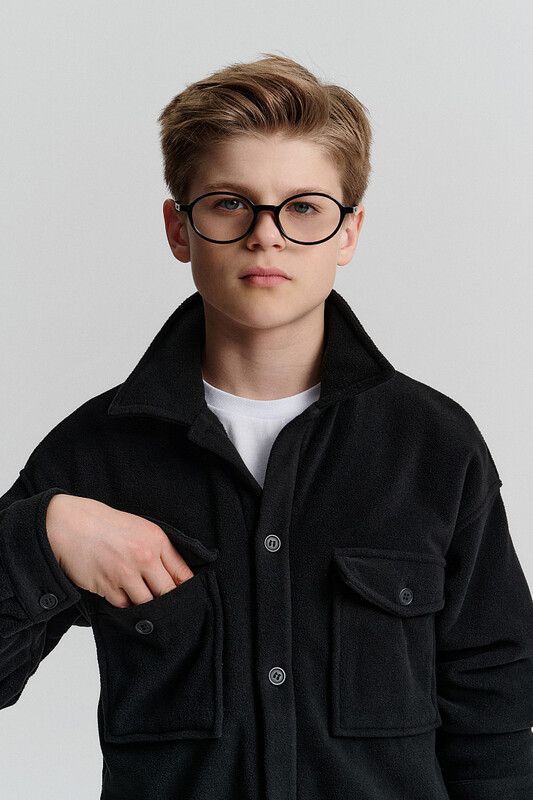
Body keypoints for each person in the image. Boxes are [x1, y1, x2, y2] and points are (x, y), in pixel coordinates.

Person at [0, 53, 532, 800]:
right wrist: (43, 538)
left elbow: (493, 705)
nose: (266, 235)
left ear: (348, 234)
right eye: (230, 203)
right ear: (179, 229)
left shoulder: (435, 446)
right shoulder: (92, 454)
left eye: (304, 207)